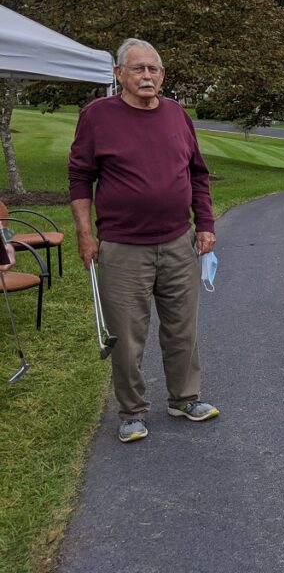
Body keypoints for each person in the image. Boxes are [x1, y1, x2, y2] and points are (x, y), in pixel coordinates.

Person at [69, 38, 219, 444]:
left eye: (154, 69)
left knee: (182, 328)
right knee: (128, 334)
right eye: (138, 68)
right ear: (119, 74)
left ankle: (184, 398)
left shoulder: (176, 114)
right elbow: (81, 177)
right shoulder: (97, 116)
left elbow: (198, 174)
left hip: (177, 242)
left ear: (163, 75)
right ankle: (132, 411)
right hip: (122, 246)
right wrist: (85, 234)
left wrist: (204, 224)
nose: (147, 75)